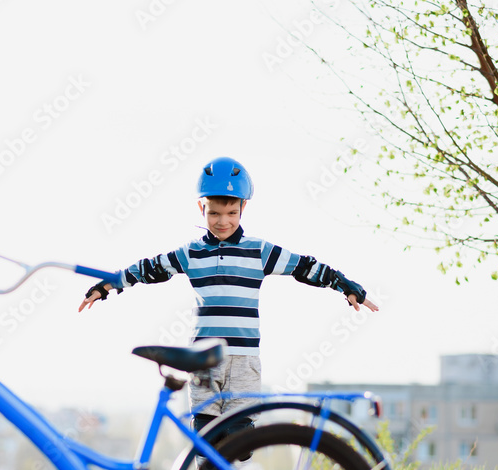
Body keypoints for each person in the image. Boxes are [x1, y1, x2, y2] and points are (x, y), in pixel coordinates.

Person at [78, 156, 379, 441]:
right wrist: (110, 285)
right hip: (204, 359)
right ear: (201, 208)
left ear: (243, 208)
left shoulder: (258, 251)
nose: (223, 221)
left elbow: (305, 266)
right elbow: (150, 268)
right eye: (214, 213)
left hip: (244, 360)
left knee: (238, 440)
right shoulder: (191, 253)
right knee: (206, 438)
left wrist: (344, 285)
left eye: (231, 213)